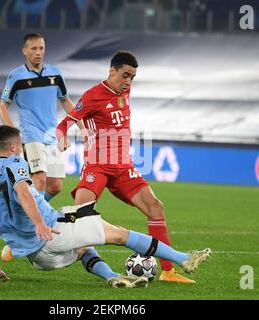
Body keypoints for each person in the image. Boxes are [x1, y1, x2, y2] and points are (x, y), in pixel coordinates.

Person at [0, 125, 211, 286]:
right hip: (51, 232)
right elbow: (23, 192)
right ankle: (183, 259)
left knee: (84, 247)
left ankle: (114, 277)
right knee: (118, 233)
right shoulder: (14, 163)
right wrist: (39, 224)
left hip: (37, 257)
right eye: (20, 145)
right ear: (13, 147)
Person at [56, 50, 196, 283]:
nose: (128, 82)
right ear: (111, 71)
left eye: (132, 77)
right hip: (97, 166)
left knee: (155, 207)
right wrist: (62, 138)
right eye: (125, 76)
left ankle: (168, 272)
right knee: (80, 219)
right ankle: (35, 243)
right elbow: (64, 124)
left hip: (123, 168)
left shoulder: (125, 89)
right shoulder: (92, 96)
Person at [0, 32, 84, 202]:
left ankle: (25, 211)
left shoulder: (55, 74)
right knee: (40, 180)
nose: (38, 52)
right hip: (31, 135)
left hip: (52, 136)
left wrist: (82, 127)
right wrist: (13, 133)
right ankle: (32, 223)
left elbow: (65, 101)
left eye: (41, 48)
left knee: (55, 186)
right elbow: (2, 106)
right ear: (24, 51)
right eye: (34, 48)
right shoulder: (16, 76)